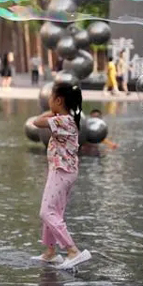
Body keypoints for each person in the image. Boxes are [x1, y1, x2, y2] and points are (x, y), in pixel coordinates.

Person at [32, 83, 91, 270]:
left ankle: (72, 250)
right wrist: (54, 112)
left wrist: (51, 113)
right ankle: (50, 252)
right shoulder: (68, 120)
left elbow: (36, 122)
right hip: (64, 171)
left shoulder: (62, 121)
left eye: (51, 97)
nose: (48, 101)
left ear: (58, 100)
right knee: (53, 212)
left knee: (46, 212)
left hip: (61, 171)